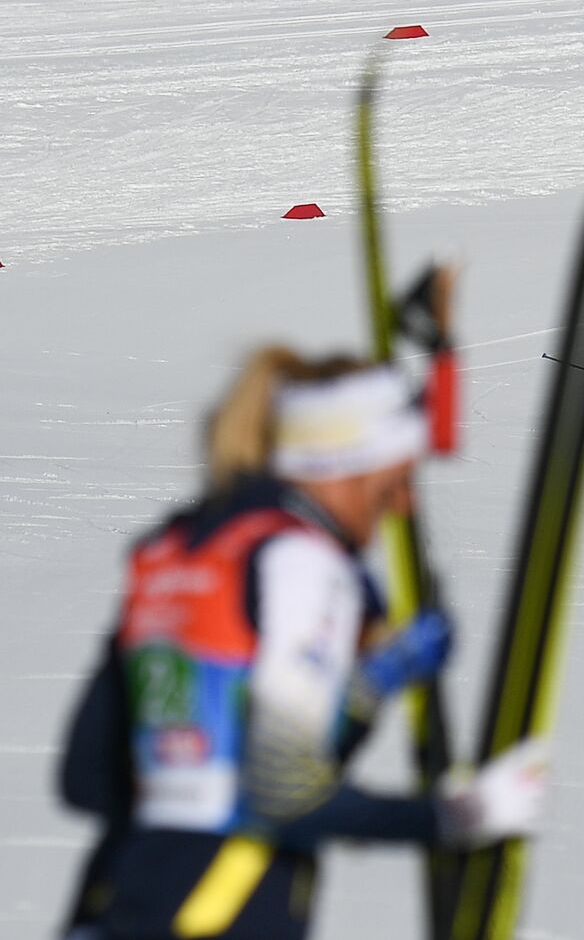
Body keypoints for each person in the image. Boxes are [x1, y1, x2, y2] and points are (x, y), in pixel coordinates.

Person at [58, 347, 547, 940]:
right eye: (397, 480)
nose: (403, 503)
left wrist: (364, 690)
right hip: (220, 912)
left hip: (117, 900)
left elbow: (89, 774)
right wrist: (454, 816)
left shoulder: (180, 546)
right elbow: (283, 795)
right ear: (352, 465)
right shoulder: (306, 562)